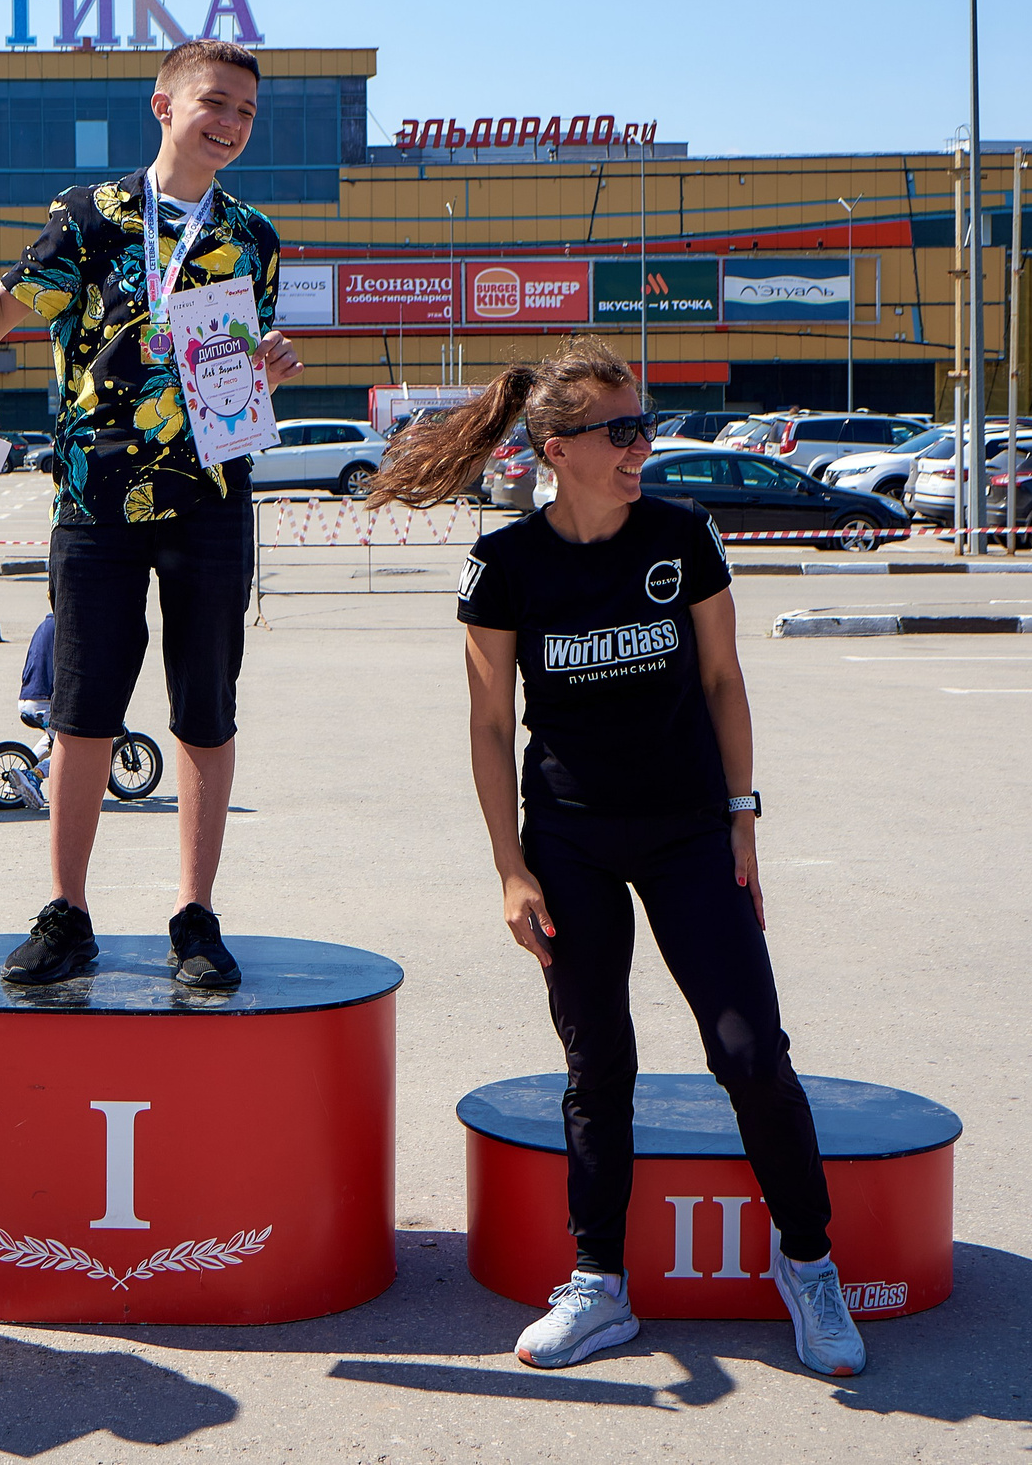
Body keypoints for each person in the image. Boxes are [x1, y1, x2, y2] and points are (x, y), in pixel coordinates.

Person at [367, 338, 868, 1378]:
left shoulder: (683, 535)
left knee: (750, 1052)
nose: (644, 446)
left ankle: (809, 1262)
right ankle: (598, 1282)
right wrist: (510, 868)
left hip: (689, 830)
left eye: (645, 424)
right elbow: (486, 724)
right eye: (623, 430)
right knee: (597, 1061)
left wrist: (742, 816)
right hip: (569, 839)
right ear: (559, 449)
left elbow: (724, 680)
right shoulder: (505, 564)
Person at [0, 38, 301, 990]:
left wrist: (266, 372)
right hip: (95, 499)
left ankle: (196, 916)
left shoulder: (252, 235)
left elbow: (234, 369)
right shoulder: (90, 216)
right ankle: (67, 913)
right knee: (83, 707)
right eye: (216, 102)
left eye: (247, 112)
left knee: (206, 707)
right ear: (164, 106)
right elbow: (5, 314)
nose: (232, 123)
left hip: (211, 498)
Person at [7, 612, 57, 812]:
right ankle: (34, 775)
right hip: (45, 701)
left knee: (54, 738)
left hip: (28, 698)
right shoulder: (65, 627)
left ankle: (20, 775)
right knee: (75, 748)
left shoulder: (44, 627)